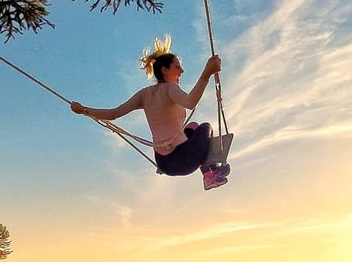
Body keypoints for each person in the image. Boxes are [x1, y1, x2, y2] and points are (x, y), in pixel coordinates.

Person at [70, 36, 232, 190]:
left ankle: (210, 172)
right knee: (205, 127)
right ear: (164, 70)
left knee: (193, 126)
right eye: (177, 67)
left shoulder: (144, 94)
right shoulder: (170, 88)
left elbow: (113, 113)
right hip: (183, 160)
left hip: (164, 163)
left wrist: (84, 110)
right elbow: (191, 103)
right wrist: (206, 73)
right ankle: (209, 175)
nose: (182, 71)